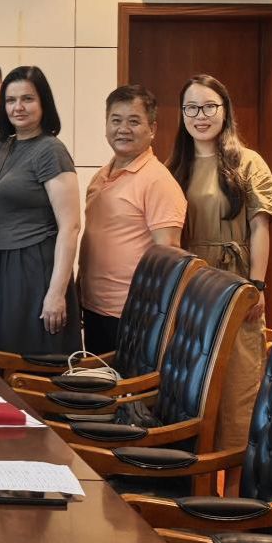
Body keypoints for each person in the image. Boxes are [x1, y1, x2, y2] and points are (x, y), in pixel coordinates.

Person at [168, 74, 272, 461]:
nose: (201, 116)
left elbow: (260, 227)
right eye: (191, 108)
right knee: (191, 379)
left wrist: (256, 286)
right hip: (191, 285)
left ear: (225, 110)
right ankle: (191, 474)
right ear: (182, 114)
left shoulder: (248, 162)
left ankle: (235, 481)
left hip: (235, 282)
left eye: (209, 106)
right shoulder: (174, 166)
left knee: (238, 385)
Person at [0, 65, 81, 355]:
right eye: (11, 100)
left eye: (27, 99)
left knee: (28, 359)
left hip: (32, 269)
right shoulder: (2, 147)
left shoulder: (50, 150)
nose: (18, 107)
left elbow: (71, 226)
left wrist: (56, 292)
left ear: (43, 102)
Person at [79, 85, 185, 353]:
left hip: (133, 313)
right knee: (97, 378)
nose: (123, 129)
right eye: (116, 120)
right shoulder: (100, 176)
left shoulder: (158, 181)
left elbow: (169, 256)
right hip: (92, 307)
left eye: (134, 121)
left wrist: (152, 315)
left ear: (152, 128)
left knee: (127, 381)